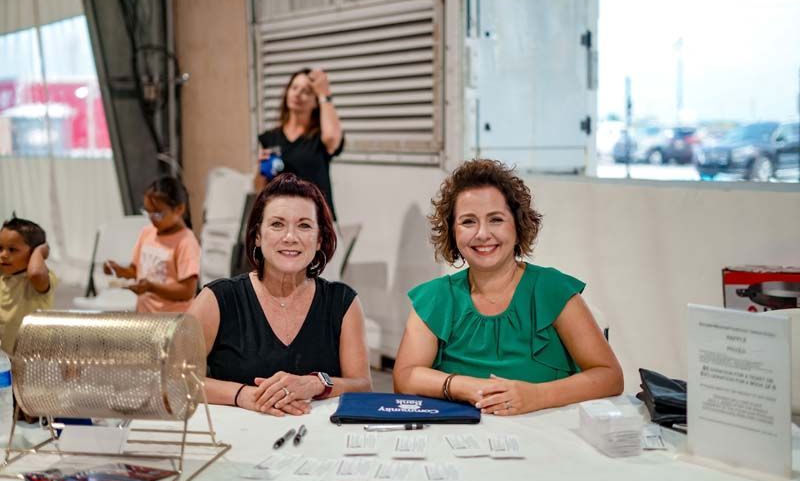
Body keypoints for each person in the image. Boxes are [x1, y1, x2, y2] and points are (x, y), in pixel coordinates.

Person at [393, 159, 623, 416]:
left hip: (550, 436)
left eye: (496, 219)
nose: (482, 234)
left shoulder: (551, 289)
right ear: (451, 232)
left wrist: (537, 396)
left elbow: (610, 377)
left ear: (518, 224)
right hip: (461, 439)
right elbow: (404, 378)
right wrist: (465, 386)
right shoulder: (435, 297)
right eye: (468, 221)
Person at [188, 173, 371, 416]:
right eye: (277, 224)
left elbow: (363, 386)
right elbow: (173, 378)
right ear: (257, 236)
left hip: (316, 443)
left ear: (319, 240)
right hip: (234, 441)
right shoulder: (217, 299)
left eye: (304, 225)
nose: (290, 237)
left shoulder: (343, 303)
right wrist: (242, 395)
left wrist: (317, 383)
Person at [255, 68, 344, 220]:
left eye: (307, 91)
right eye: (294, 87)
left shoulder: (319, 137)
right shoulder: (270, 138)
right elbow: (259, 188)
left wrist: (325, 94)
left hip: (317, 221)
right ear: (287, 92)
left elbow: (331, 139)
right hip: (282, 220)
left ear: (316, 102)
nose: (297, 94)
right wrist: (260, 170)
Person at [104, 176, 200, 313]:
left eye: (158, 214)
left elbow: (187, 291)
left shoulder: (186, 242)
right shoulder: (147, 233)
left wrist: (151, 287)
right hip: (145, 317)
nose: (152, 219)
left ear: (179, 209)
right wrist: (118, 270)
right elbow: (137, 271)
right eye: (148, 212)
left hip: (172, 322)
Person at [0, 216, 56, 354]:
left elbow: (35, 273)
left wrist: (40, 251)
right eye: (0, 248)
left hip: (35, 355)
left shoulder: (37, 279)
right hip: (7, 355)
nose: (3, 255)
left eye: (12, 250)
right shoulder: (3, 278)